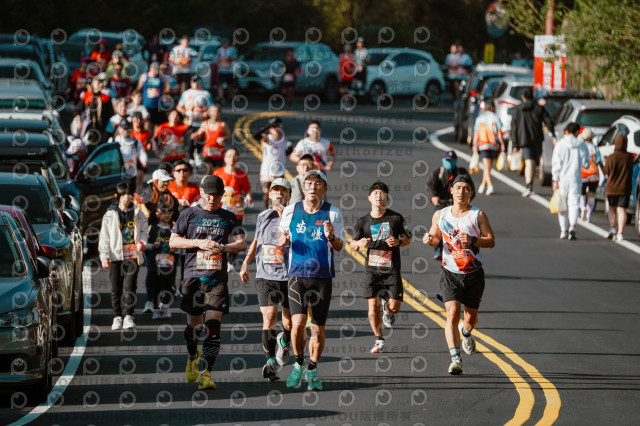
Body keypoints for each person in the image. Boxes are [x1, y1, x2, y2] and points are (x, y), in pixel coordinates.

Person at [169, 175, 247, 390]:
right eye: (209, 194)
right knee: (194, 326)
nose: (212, 199)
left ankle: (207, 374)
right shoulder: (189, 214)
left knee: (213, 326)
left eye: (217, 195)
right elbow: (173, 241)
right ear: (202, 193)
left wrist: (223, 248)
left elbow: (242, 243)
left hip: (217, 279)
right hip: (193, 277)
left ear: (222, 196)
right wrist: (198, 243)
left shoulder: (229, 217)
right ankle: (192, 355)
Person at [277, 170, 345, 391]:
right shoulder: (291, 210)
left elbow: (340, 246)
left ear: (324, 188)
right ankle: (298, 363)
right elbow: (280, 235)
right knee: (297, 323)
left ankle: (313, 368)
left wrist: (330, 236)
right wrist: (282, 239)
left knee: (317, 329)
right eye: (309, 183)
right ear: (303, 187)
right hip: (297, 275)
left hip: (322, 277)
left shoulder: (333, 213)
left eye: (318, 183)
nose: (313, 187)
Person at [422, 175, 496, 375]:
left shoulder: (478, 215)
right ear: (451, 191)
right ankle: (456, 359)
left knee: (470, 319)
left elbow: (491, 241)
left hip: (473, 274)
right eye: (458, 188)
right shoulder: (441, 215)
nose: (461, 192)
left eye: (465, 188)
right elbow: (435, 236)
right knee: (452, 313)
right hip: (450, 273)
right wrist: (429, 239)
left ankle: (466, 332)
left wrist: (473, 239)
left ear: (470, 193)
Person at [240, 178, 293, 381]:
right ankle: (270, 361)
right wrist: (246, 262)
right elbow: (257, 241)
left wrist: (285, 221)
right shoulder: (262, 216)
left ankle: (285, 341)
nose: (279, 193)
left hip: (289, 275)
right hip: (266, 275)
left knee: (288, 322)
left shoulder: (295, 216)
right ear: (269, 194)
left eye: (283, 190)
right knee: (269, 318)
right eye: (275, 190)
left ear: (289, 195)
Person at [350, 181, 410, 353]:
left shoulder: (396, 218)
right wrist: (359, 243)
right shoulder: (363, 221)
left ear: (387, 198)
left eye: (382, 193)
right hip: (372, 270)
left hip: (392, 270)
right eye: (375, 193)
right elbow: (352, 244)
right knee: (372, 307)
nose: (378, 196)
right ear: (369, 198)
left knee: (395, 306)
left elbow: (408, 238)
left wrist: (399, 241)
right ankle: (379, 339)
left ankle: (388, 311)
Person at [99, 182, 148, 331]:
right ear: (117, 196)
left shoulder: (137, 212)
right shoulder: (110, 214)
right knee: (116, 288)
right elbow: (104, 237)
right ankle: (117, 316)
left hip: (132, 254)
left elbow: (144, 230)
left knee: (130, 286)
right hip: (115, 255)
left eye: (129, 194)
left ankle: (128, 316)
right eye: (124, 194)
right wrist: (104, 256)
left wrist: (142, 242)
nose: (127, 197)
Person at [425, 150, 475, 260]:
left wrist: (466, 200)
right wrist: (433, 197)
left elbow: (471, 188)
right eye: (447, 160)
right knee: (438, 225)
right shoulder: (439, 172)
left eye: (452, 160)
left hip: (458, 205)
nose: (449, 163)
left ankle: (463, 249)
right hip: (442, 204)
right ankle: (439, 249)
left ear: (456, 161)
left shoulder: (461, 172)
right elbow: (430, 186)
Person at [510, 88, 556, 197]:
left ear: (523, 97)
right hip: (537, 139)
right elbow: (549, 121)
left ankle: (529, 186)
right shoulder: (539, 108)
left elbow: (514, 127)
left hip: (524, 139)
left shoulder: (518, 110)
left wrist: (515, 144)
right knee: (533, 161)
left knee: (529, 162)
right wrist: (553, 134)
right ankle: (529, 184)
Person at [214, 148, 252, 271]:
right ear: (225, 158)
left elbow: (247, 190)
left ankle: (231, 261)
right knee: (220, 234)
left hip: (236, 211)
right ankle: (218, 259)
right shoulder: (218, 173)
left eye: (235, 155)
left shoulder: (241, 174)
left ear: (238, 158)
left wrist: (248, 197)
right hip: (220, 209)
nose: (232, 158)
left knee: (236, 236)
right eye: (229, 155)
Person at [551, 122, 590, 240]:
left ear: (567, 131)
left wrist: (555, 179)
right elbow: (585, 164)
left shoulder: (560, 144)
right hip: (576, 178)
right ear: (577, 132)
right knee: (574, 203)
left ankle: (564, 230)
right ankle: (573, 226)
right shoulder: (581, 145)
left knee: (562, 204)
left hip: (562, 179)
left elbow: (556, 163)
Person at [146, 205, 176, 319]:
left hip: (169, 263)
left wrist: (175, 248)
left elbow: (179, 244)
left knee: (168, 284)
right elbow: (146, 244)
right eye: (164, 213)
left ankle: (165, 306)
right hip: (155, 263)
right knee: (156, 285)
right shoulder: (153, 229)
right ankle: (156, 308)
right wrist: (153, 245)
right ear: (158, 214)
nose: (167, 215)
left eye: (169, 213)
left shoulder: (173, 229)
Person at [603, 134, 634, 241]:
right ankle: (620, 233)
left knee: (612, 208)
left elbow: (606, 171)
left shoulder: (611, 157)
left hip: (611, 188)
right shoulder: (630, 158)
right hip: (624, 188)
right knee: (622, 210)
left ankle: (612, 228)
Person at [472, 100, 505, 195]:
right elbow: (499, 133)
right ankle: (486, 185)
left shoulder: (479, 118)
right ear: (492, 107)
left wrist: (474, 144)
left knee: (487, 167)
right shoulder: (496, 117)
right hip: (494, 145)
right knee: (488, 167)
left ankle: (486, 185)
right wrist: (502, 143)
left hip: (483, 145)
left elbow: (476, 133)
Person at [191, 104, 231, 173]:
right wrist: (195, 135)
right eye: (213, 112)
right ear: (209, 113)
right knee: (209, 168)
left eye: (217, 112)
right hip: (208, 152)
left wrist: (224, 138)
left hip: (219, 152)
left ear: (220, 113)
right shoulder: (205, 124)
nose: (215, 114)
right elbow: (199, 135)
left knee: (217, 172)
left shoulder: (223, 125)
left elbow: (229, 135)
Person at [109, 120, 148, 191]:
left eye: (127, 128)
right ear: (119, 129)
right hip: (118, 172)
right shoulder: (113, 140)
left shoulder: (135, 141)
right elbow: (108, 155)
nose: (125, 131)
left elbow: (141, 152)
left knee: (131, 191)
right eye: (123, 128)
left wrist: (144, 161)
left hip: (131, 172)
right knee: (119, 191)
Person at [258, 118, 287, 208]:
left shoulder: (284, 139)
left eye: (279, 126)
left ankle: (277, 210)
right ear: (270, 129)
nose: (277, 129)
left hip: (280, 170)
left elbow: (287, 152)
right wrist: (265, 130)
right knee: (267, 192)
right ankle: (267, 209)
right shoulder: (266, 138)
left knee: (279, 193)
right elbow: (258, 137)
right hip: (267, 171)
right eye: (275, 127)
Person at [579, 129, 601, 222]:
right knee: (592, 194)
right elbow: (598, 160)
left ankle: (582, 207)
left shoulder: (581, 146)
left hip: (582, 174)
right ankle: (588, 215)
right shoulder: (595, 148)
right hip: (594, 174)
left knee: (582, 193)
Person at [215, 38, 237, 103]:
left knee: (230, 85)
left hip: (229, 70)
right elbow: (216, 59)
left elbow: (235, 58)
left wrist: (229, 59)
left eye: (226, 43)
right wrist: (220, 60)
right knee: (220, 84)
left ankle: (229, 97)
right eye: (223, 43)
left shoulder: (232, 49)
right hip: (221, 70)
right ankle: (221, 98)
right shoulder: (219, 50)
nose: (225, 44)